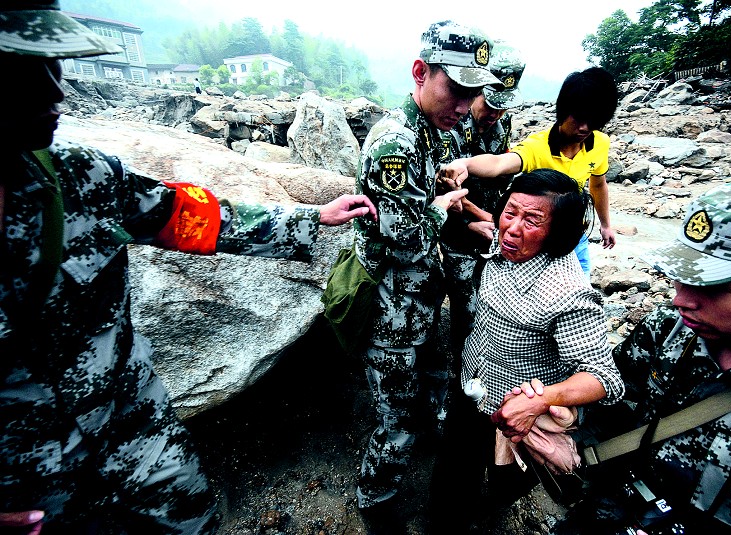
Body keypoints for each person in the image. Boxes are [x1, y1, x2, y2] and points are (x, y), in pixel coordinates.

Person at [0, 2, 376, 534]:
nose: (54, 90)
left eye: (52, 62)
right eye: (19, 70)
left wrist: (310, 217)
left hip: (138, 438)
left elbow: (191, 218)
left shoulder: (80, 177)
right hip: (30, 490)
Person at [508, 175, 731, 534]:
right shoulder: (669, 327)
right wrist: (571, 431)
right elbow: (617, 408)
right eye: (682, 275)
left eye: (714, 285)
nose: (681, 299)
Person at [351, 19, 500, 533]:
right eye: (455, 90)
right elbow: (405, 234)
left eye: (472, 93)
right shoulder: (394, 142)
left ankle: (425, 453)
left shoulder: (438, 130)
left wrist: (474, 216)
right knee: (395, 421)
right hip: (391, 308)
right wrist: (442, 206)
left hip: (421, 297)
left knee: (434, 384)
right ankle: (375, 500)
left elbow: (440, 197)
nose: (464, 105)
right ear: (420, 72)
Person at [428, 169, 624, 533]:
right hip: (473, 382)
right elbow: (500, 226)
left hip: (516, 413)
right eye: (510, 212)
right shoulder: (505, 247)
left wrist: (541, 400)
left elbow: (605, 379)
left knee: (506, 481)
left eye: (532, 220)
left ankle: (488, 512)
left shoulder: (568, 294)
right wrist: (468, 209)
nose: (513, 228)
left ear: (559, 234)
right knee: (455, 468)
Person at [440, 66, 619, 278]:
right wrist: (466, 164)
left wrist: (606, 225)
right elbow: (499, 163)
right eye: (578, 119)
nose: (584, 128)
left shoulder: (600, 142)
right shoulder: (538, 146)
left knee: (579, 288)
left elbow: (598, 184)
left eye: (594, 122)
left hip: (575, 235)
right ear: (564, 110)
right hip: (538, 238)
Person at [439, 40, 527, 372]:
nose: (494, 115)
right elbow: (445, 189)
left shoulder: (500, 127)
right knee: (467, 308)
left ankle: (488, 366)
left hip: (490, 234)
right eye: (489, 106)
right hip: (459, 233)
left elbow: (500, 176)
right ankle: (462, 372)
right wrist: (477, 220)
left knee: (495, 305)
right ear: (475, 92)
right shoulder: (450, 126)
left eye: (502, 108)